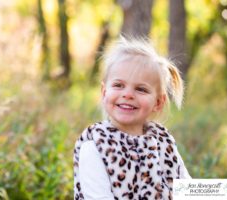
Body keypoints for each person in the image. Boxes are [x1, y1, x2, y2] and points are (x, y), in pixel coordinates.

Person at [73, 36, 191, 200]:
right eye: (118, 85)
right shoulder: (95, 146)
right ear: (104, 92)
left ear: (158, 102)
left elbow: (188, 190)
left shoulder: (163, 142)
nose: (127, 94)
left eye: (141, 89)